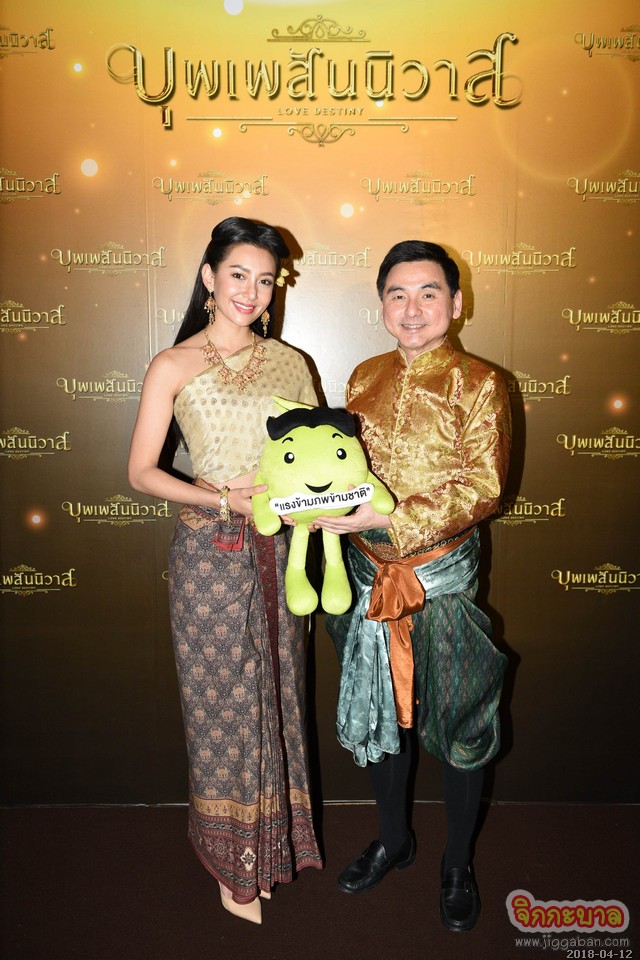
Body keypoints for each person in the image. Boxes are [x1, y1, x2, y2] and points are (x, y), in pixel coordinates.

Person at [128, 217, 322, 925]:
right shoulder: (173, 365)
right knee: (220, 710)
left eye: (265, 280)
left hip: (279, 552)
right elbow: (141, 472)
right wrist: (221, 499)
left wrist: (314, 507)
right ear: (210, 277)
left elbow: (313, 456)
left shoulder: (292, 364)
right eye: (238, 274)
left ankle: (268, 852)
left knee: (278, 698)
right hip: (209, 555)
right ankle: (231, 863)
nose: (251, 291)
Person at [315, 240, 511, 933]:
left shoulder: (481, 383)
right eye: (397, 294)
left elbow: (483, 486)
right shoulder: (363, 376)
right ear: (381, 305)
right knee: (381, 716)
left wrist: (389, 518)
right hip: (366, 579)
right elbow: (345, 467)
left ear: (456, 304)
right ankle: (394, 839)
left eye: (429, 293)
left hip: (441, 585)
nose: (412, 308)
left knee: (461, 726)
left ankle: (456, 862)